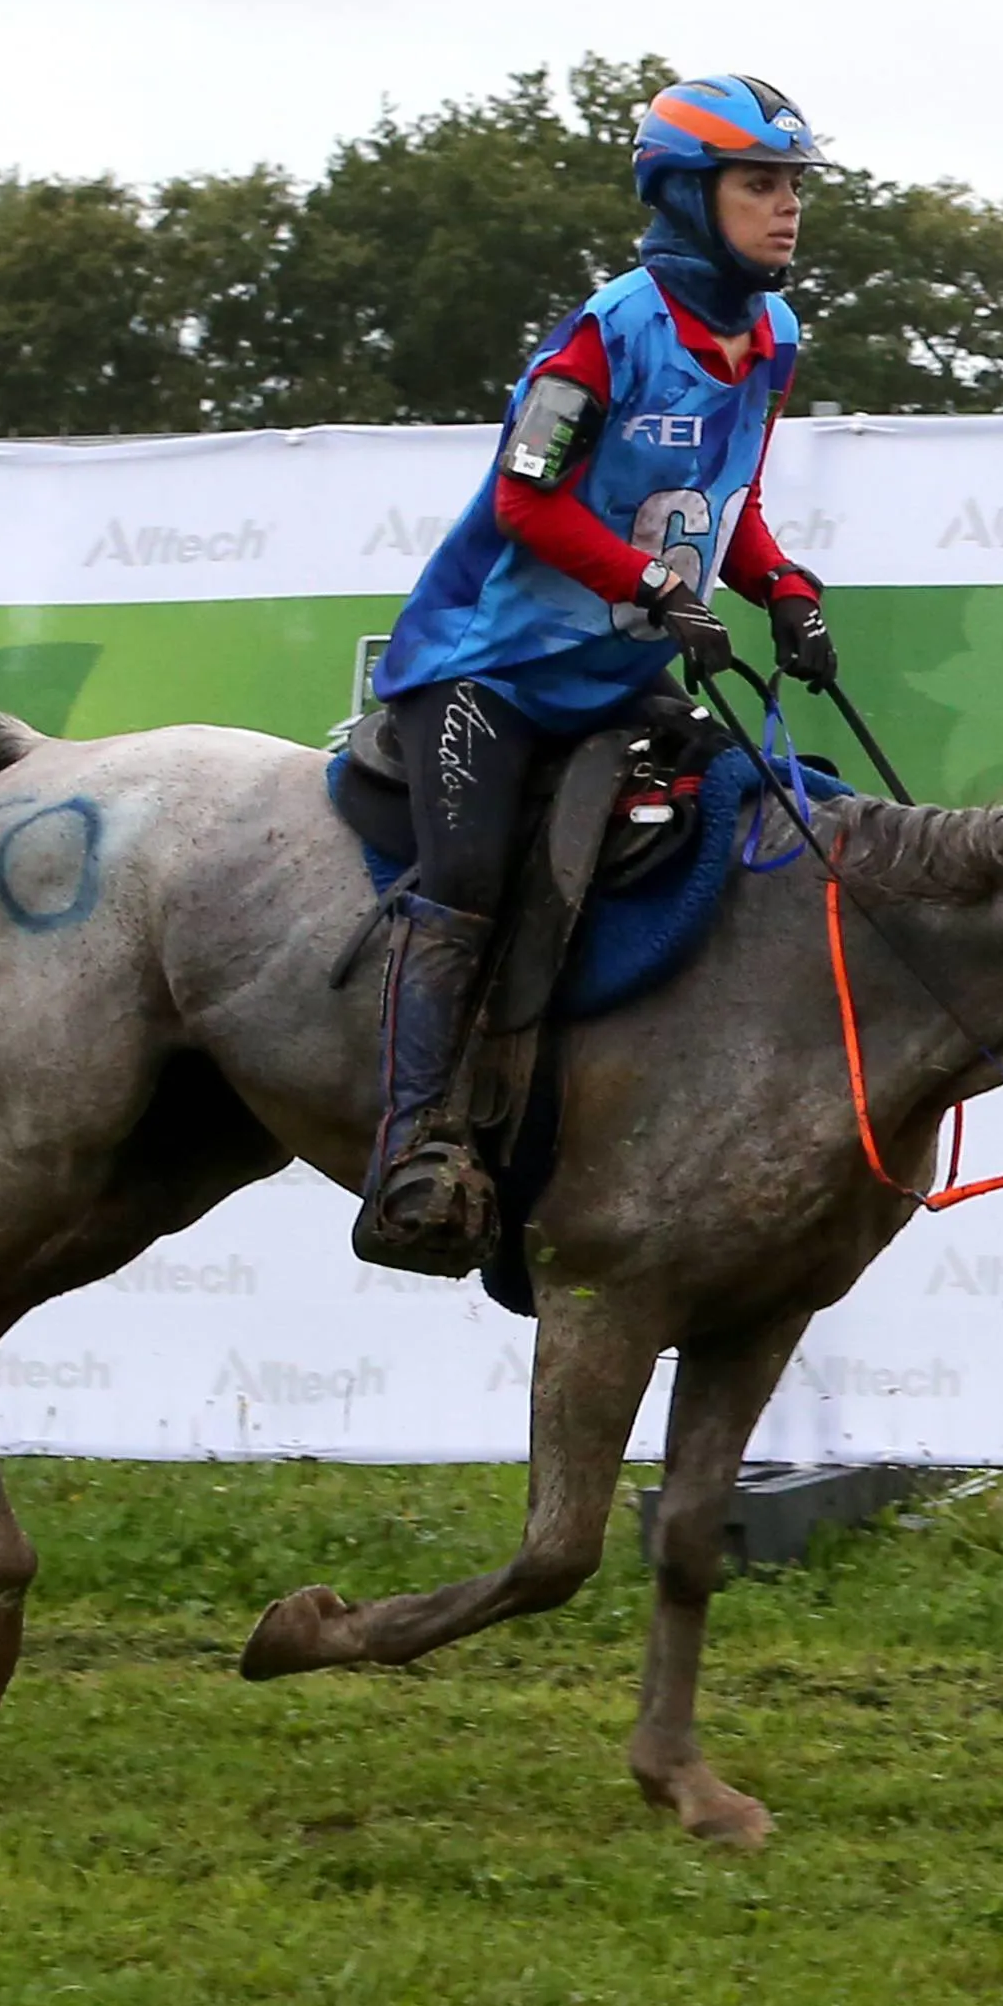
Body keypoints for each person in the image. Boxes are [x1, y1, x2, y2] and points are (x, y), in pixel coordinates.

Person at [347, 73, 843, 1273]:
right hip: (489, 667)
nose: (787, 210)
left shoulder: (770, 341)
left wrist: (779, 584)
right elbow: (527, 501)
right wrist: (654, 588)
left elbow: (731, 503)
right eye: (759, 185)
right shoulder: (602, 334)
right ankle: (412, 1145)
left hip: (620, 669)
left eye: (793, 188)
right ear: (685, 192)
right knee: (465, 880)